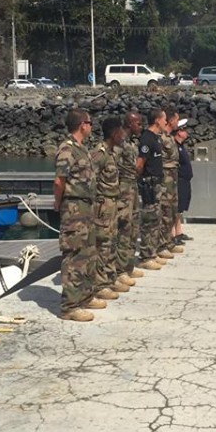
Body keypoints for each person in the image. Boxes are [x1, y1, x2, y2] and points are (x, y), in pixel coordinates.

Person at [53, 109, 105, 322]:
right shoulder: (67, 149)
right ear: (82, 125)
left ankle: (85, 296)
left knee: (88, 254)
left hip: (87, 209)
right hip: (74, 209)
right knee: (74, 255)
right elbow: (59, 181)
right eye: (90, 123)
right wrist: (58, 202)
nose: (92, 127)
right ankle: (70, 306)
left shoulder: (82, 149)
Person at [89, 117, 127, 302]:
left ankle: (110, 278)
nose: (123, 135)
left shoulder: (112, 153)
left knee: (111, 242)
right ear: (113, 133)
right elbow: (90, 179)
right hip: (102, 206)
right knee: (102, 244)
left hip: (113, 204)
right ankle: (100, 284)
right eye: (120, 131)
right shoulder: (100, 153)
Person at [136, 108, 168, 271]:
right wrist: (141, 182)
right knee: (149, 220)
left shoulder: (156, 138)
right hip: (149, 184)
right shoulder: (147, 139)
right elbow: (139, 164)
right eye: (164, 120)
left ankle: (153, 252)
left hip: (157, 183)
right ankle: (146, 255)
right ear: (157, 120)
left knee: (156, 218)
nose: (165, 123)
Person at [114, 111, 143, 286]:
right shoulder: (120, 142)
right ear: (130, 123)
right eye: (138, 123)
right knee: (123, 229)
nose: (140, 126)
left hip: (133, 187)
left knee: (133, 227)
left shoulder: (132, 142)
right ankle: (119, 270)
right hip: (123, 189)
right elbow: (113, 167)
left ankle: (128, 265)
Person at [159, 107, 183, 258]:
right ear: (170, 120)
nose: (178, 122)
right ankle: (162, 244)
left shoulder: (170, 137)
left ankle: (169, 241)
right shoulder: (161, 138)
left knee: (173, 211)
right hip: (164, 180)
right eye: (176, 119)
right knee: (165, 212)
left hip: (172, 179)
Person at [173, 119, 193, 242]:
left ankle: (179, 231)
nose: (187, 132)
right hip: (179, 180)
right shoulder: (174, 146)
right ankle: (173, 233)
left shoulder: (180, 146)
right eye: (184, 130)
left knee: (180, 209)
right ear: (179, 132)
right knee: (176, 208)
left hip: (185, 180)